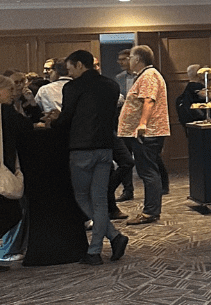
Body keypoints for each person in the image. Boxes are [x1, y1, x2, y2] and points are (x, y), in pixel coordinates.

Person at [54, 51, 129, 265]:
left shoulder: (72, 87)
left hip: (81, 149)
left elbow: (66, 118)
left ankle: (109, 239)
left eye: (70, 69)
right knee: (99, 200)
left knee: (81, 197)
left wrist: (52, 122)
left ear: (79, 65)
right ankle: (97, 249)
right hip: (105, 148)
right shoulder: (111, 85)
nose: (69, 73)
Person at [117, 45, 170, 225]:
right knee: (147, 170)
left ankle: (150, 212)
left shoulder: (148, 76)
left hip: (148, 132)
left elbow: (148, 100)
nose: (129, 60)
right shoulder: (145, 75)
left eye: (131, 57)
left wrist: (142, 124)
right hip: (146, 132)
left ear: (138, 59)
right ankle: (151, 210)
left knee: (148, 171)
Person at [0, 74, 29, 266]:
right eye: (9, 89)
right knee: (12, 213)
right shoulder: (5, 111)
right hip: (4, 168)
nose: (12, 92)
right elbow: (24, 126)